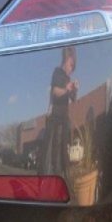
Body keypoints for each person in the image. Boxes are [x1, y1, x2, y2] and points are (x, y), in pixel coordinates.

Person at [41, 47, 78, 175]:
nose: (71, 69)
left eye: (73, 67)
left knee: (63, 146)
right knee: (50, 148)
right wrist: (67, 89)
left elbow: (73, 99)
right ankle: (44, 177)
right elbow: (55, 92)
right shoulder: (57, 72)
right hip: (54, 116)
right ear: (66, 60)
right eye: (71, 65)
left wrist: (74, 89)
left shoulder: (68, 79)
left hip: (63, 116)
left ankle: (63, 174)